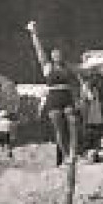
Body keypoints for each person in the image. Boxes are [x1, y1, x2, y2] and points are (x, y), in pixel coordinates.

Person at [26, 22, 81, 167]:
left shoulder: (68, 66)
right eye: (55, 54)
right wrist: (34, 33)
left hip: (67, 96)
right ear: (52, 56)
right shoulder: (47, 66)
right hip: (54, 98)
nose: (57, 55)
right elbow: (38, 49)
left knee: (73, 122)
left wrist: (82, 93)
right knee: (59, 128)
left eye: (59, 54)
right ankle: (66, 155)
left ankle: (73, 152)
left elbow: (79, 78)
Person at [80, 74, 103, 155]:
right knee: (90, 132)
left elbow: (93, 98)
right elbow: (89, 98)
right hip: (89, 114)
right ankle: (89, 150)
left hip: (95, 114)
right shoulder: (86, 87)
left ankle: (94, 150)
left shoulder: (94, 88)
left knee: (95, 132)